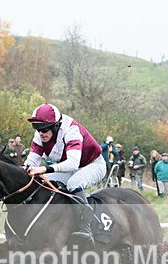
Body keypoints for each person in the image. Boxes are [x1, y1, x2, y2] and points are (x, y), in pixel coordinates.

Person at [23, 103, 106, 244]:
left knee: (74, 184)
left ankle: (86, 228)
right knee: (41, 181)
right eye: (37, 128)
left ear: (56, 126)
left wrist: (44, 169)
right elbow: (31, 162)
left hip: (93, 165)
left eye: (44, 129)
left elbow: (72, 163)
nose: (41, 133)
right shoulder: (40, 135)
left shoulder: (71, 130)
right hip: (70, 168)